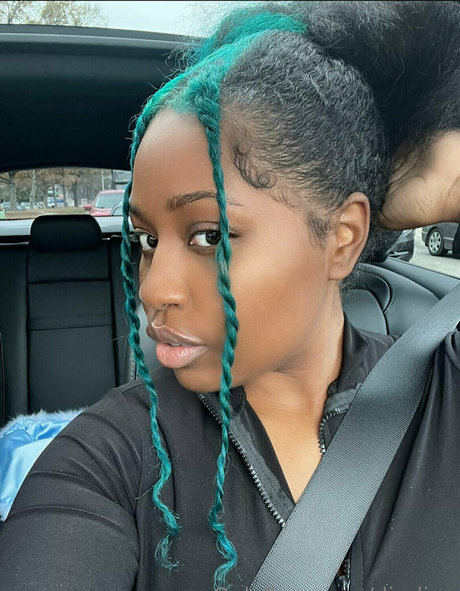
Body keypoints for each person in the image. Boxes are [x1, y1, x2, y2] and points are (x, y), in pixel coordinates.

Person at [0, 2, 459, 590]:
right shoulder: (108, 459)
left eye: (210, 236)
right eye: (145, 240)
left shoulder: (443, 390)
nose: (153, 289)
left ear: (343, 238)